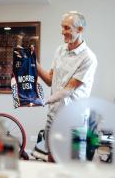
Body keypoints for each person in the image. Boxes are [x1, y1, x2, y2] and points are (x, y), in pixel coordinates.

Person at [37, 11, 98, 162]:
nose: (62, 32)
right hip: (53, 115)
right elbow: (50, 80)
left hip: (74, 119)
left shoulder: (88, 58)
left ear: (80, 30)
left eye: (67, 28)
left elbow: (69, 89)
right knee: (51, 158)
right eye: (62, 27)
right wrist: (33, 63)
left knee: (71, 162)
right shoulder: (60, 50)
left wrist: (43, 100)